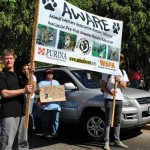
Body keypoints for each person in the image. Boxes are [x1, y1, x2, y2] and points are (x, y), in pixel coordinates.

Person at [0, 49, 33, 150]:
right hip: (9, 113)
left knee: (22, 143)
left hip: (22, 112)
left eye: (11, 58)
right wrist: (23, 90)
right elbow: (4, 93)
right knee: (7, 144)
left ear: (14, 59)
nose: (9, 60)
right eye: (6, 58)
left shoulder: (19, 74)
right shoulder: (1, 75)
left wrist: (31, 73)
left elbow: (31, 89)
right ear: (2, 60)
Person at [101, 54, 129, 150]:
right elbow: (103, 86)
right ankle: (106, 142)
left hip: (119, 99)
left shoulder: (122, 72)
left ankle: (117, 140)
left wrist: (119, 80)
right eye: (118, 59)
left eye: (121, 59)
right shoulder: (107, 71)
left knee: (117, 121)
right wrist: (110, 92)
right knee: (108, 122)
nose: (119, 61)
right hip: (109, 98)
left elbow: (125, 86)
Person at [35, 69, 61, 137]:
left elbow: (60, 92)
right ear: (46, 75)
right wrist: (38, 90)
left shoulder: (56, 82)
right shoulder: (41, 83)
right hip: (45, 106)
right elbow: (36, 92)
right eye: (48, 74)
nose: (50, 75)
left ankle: (55, 134)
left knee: (55, 121)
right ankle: (45, 134)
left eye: (51, 74)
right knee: (45, 121)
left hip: (55, 105)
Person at [22, 64, 37, 130]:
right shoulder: (21, 77)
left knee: (29, 112)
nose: (25, 70)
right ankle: (24, 126)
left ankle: (31, 126)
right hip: (23, 97)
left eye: (27, 69)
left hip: (30, 97)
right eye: (24, 69)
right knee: (24, 112)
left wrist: (30, 95)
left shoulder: (33, 76)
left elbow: (34, 87)